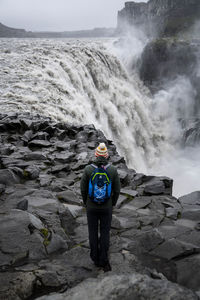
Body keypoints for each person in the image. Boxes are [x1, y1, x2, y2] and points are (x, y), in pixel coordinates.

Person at [80, 142, 120, 272]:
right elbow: (117, 190)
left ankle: (94, 257)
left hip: (91, 207)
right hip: (106, 207)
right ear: (106, 155)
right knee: (104, 232)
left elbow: (83, 188)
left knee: (92, 231)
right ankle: (103, 258)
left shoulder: (88, 169)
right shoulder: (113, 170)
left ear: (96, 154)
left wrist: (86, 201)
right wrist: (112, 203)